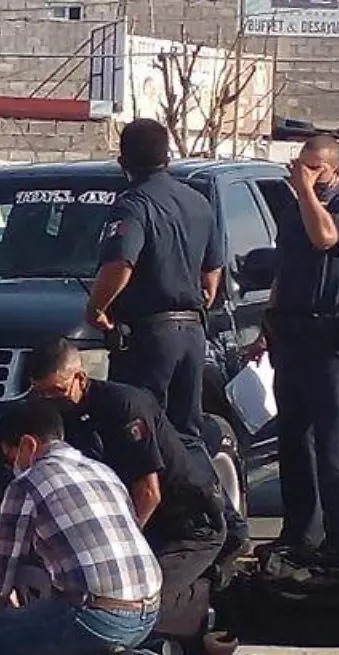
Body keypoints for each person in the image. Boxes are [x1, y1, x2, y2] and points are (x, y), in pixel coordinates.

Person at [27, 339, 226, 643]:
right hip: (142, 526)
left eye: (57, 391)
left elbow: (149, 493)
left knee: (132, 607)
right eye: (40, 393)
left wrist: (119, 547)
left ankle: (206, 603)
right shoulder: (57, 417)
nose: (49, 400)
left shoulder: (124, 406)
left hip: (187, 525)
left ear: (80, 377)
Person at [0, 398, 162, 655]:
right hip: (149, 613)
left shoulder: (26, 484)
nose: (12, 467)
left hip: (95, 617)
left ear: (28, 445)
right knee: (47, 628)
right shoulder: (103, 471)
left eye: (10, 458)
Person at [251, 135, 339, 561]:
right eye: (301, 165)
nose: (305, 174)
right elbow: (284, 271)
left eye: (315, 168)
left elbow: (325, 239)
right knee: (293, 439)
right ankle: (301, 533)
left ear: (336, 170)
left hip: (330, 339)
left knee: (333, 439)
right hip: (291, 335)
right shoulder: (292, 211)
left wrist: (305, 191)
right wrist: (266, 326)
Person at [85, 119, 224, 449]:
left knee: (140, 433)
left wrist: (96, 309)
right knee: (186, 434)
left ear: (123, 162)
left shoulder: (134, 203)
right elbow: (212, 273)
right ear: (168, 157)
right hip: (192, 332)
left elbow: (120, 263)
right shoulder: (198, 202)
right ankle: (197, 482)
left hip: (149, 337)